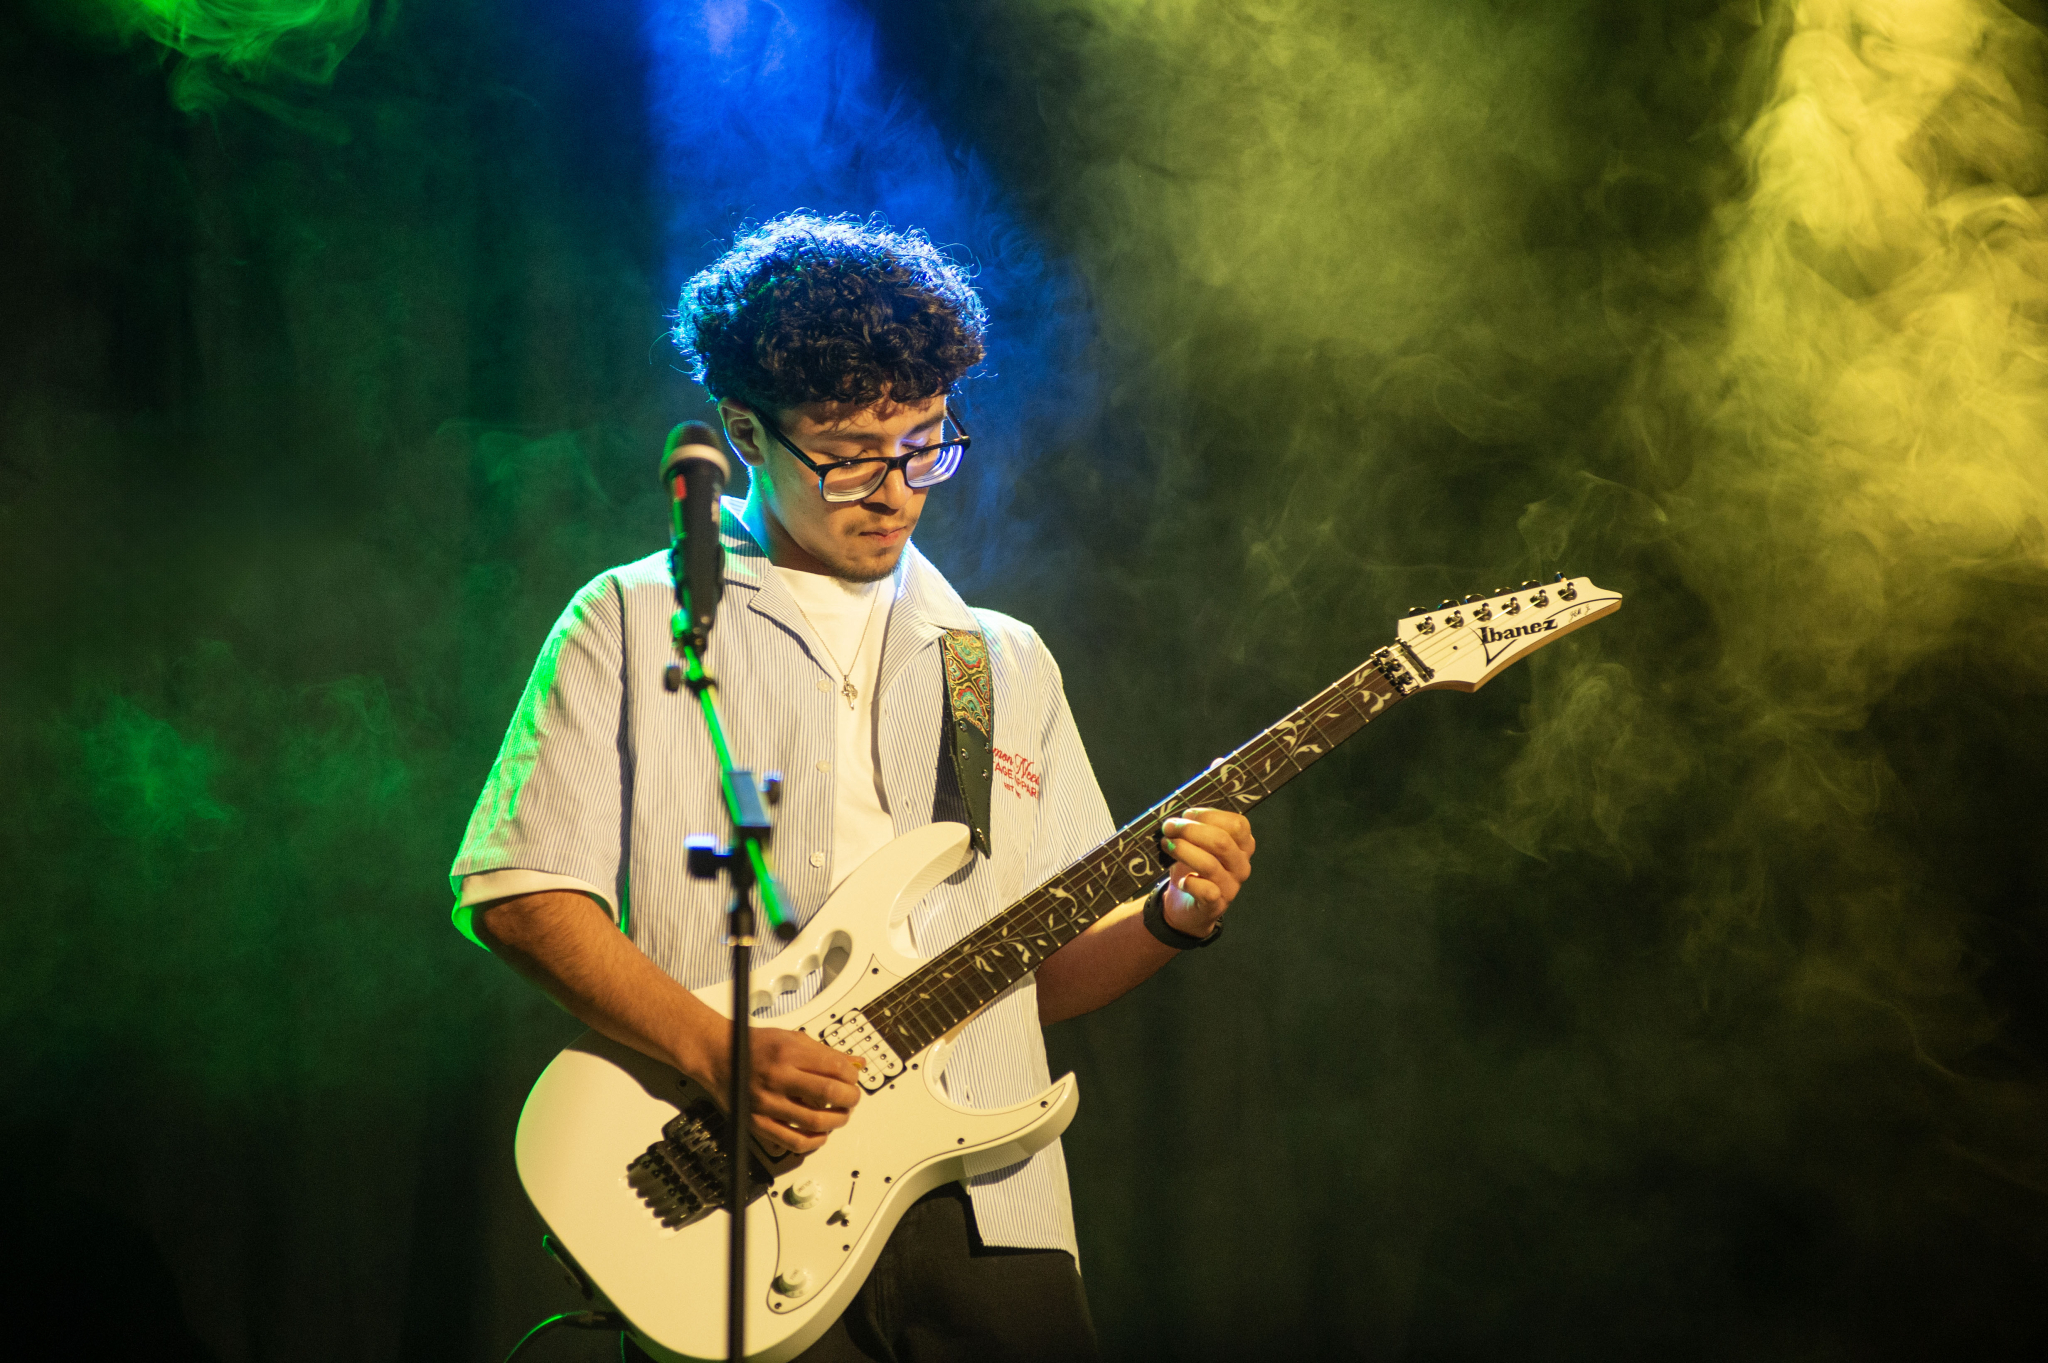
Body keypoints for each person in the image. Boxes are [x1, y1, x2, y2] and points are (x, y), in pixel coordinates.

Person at [450, 213, 1256, 1362]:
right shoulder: (629, 618)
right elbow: (519, 894)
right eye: (847, 455)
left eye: (924, 446)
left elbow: (1033, 978)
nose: (894, 492)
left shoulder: (1000, 659)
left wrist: (1173, 917)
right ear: (743, 430)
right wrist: (716, 1050)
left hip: (994, 1211)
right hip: (732, 1204)